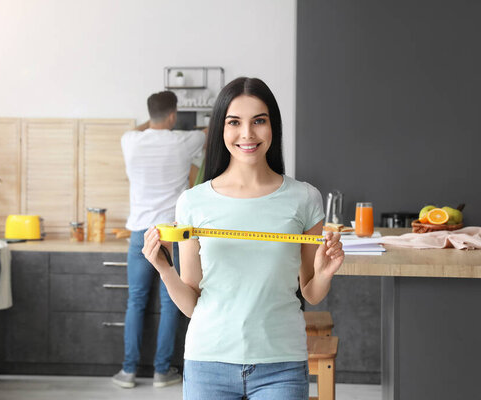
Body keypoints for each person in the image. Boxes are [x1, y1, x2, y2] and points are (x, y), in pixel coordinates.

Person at [142, 77, 345, 399]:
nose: (247, 134)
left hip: (281, 361)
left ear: (273, 127)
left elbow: (312, 293)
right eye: (234, 122)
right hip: (208, 359)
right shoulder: (193, 201)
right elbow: (192, 303)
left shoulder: (304, 198)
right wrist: (164, 268)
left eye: (259, 121)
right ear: (221, 130)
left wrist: (324, 273)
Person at [113, 90, 206, 389]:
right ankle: (162, 372)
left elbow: (137, 129)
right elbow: (211, 129)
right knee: (170, 302)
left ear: (149, 113)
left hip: (140, 232)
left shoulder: (130, 141)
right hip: (171, 233)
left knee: (136, 301)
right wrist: (178, 126)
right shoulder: (183, 140)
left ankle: (128, 372)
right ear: (173, 115)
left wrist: (153, 121)